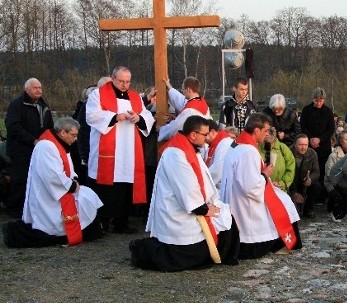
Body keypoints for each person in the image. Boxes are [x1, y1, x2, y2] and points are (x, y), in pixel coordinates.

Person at [129, 116, 240, 271]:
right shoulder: (176, 154)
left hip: (190, 206)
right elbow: (186, 186)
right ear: (193, 135)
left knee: (224, 218)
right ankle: (141, 249)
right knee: (190, 254)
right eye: (204, 134)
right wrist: (203, 209)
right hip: (177, 213)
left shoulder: (187, 148)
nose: (207, 138)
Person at [3, 117, 104, 248]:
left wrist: (73, 180)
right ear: (63, 132)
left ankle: (89, 230)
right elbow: (52, 176)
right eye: (73, 135)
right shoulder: (46, 146)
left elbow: (66, 168)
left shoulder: (58, 143)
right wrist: (72, 185)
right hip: (48, 194)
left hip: (57, 189)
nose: (75, 139)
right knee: (84, 198)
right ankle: (73, 232)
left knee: (88, 195)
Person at [219, 113, 302, 258]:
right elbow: (251, 187)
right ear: (256, 130)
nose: (267, 135)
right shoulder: (248, 151)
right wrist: (265, 174)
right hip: (245, 203)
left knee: (284, 199)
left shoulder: (237, 144)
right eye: (265, 131)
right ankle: (280, 241)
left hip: (235, 197)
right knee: (284, 202)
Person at [86, 66, 155, 233]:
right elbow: (91, 115)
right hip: (108, 148)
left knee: (125, 186)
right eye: (121, 81)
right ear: (113, 78)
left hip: (129, 150)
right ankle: (102, 222)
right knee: (105, 188)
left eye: (127, 81)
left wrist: (138, 117)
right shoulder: (98, 94)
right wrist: (114, 117)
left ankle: (121, 222)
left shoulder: (135, 97)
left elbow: (147, 115)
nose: (125, 85)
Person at [4, 78, 55, 218]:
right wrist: (32, 140)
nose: (38, 90)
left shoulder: (44, 106)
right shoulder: (17, 105)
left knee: (36, 179)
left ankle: (32, 206)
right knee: (20, 179)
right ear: (27, 89)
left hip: (39, 149)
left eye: (40, 87)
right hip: (20, 150)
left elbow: (49, 126)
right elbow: (13, 127)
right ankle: (14, 208)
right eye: (35, 88)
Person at [300, 87, 335, 202]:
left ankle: (322, 197)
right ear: (313, 99)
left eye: (321, 101)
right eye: (316, 100)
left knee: (323, 170)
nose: (318, 103)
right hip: (309, 144)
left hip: (323, 145)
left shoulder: (328, 112)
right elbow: (303, 126)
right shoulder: (306, 110)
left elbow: (331, 129)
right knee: (309, 169)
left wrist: (319, 139)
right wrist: (310, 139)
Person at [158, 76, 211, 142]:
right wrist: (169, 87)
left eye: (183, 89)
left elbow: (176, 127)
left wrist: (162, 129)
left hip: (191, 142)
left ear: (189, 90)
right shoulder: (201, 102)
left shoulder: (190, 110)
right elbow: (181, 100)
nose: (182, 92)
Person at [289, 134, 321, 218]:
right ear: (295, 144)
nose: (303, 147)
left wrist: (310, 179)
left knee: (317, 186)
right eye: (300, 145)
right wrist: (293, 193)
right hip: (291, 182)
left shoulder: (312, 153)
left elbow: (316, 171)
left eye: (305, 145)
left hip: (305, 180)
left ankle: (308, 209)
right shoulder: (288, 152)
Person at [258, 127, 295, 194]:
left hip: (279, 189)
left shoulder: (283, 148)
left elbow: (291, 167)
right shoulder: (257, 147)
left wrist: (282, 183)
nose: (268, 145)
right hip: (261, 189)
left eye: (270, 143)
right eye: (265, 142)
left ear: (274, 139)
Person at [324, 130, 347, 211]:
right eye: (346, 139)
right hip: (334, 182)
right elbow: (329, 173)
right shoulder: (333, 156)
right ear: (340, 141)